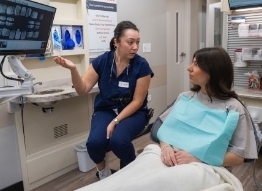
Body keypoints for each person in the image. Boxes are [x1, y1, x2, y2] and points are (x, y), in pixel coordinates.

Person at [75, 47, 258, 191]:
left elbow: (238, 157)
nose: (189, 67)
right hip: (166, 156)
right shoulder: (186, 98)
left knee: (156, 182)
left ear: (214, 71)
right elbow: (164, 131)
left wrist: (198, 158)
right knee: (131, 176)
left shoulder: (234, 108)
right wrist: (166, 147)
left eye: (196, 64)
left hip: (203, 166)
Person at [54, 21, 154, 180]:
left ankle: (132, 173)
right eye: (130, 42)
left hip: (134, 113)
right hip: (106, 110)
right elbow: (82, 89)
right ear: (116, 42)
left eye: (137, 42)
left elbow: (137, 102)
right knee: (93, 144)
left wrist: (115, 121)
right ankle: (103, 172)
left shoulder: (142, 66)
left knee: (119, 141)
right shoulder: (102, 61)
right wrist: (73, 70)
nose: (135, 47)